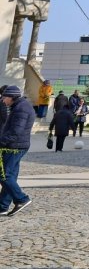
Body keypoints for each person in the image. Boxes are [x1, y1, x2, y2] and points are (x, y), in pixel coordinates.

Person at [0, 85, 35, 215]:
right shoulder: (19, 106)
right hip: (17, 145)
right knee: (10, 176)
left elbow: (16, 131)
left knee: (4, 175)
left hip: (15, 146)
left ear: (11, 97)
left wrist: (1, 142)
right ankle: (3, 206)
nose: (3, 100)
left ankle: (21, 199)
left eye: (4, 97)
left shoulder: (21, 109)